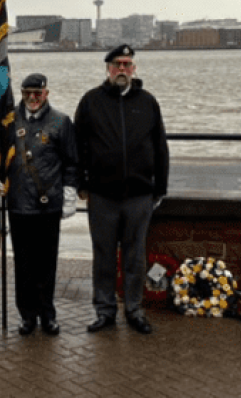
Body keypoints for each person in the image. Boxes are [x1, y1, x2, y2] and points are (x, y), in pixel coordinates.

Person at [75, 44, 169, 336]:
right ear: (107, 68)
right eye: (117, 64)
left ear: (134, 69)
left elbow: (160, 147)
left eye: (127, 64)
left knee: (135, 256)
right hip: (102, 195)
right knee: (103, 255)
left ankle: (133, 309)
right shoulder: (91, 102)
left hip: (139, 194)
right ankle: (104, 311)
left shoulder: (148, 102)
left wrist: (160, 188)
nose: (122, 69)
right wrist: (81, 184)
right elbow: (78, 146)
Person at [6, 73, 77, 336]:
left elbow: (71, 161)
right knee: (23, 264)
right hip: (18, 203)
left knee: (47, 264)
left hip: (48, 204)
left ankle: (48, 314)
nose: (33, 98)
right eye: (27, 94)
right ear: (21, 94)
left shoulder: (62, 121)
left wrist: (69, 192)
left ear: (46, 93)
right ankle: (27, 316)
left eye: (38, 93)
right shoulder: (9, 120)